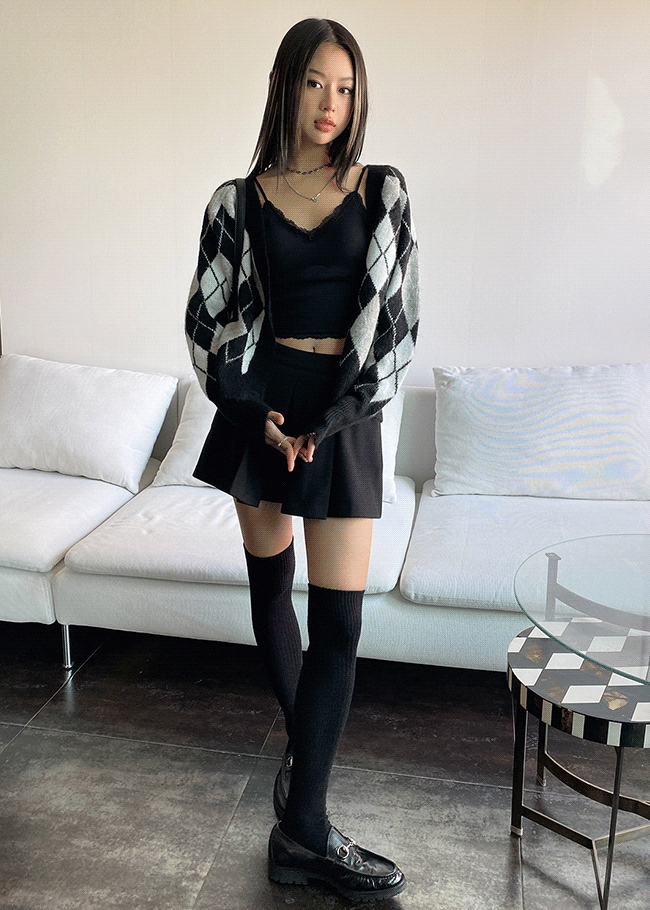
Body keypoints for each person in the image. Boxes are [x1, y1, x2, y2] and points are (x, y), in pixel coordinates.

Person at [186, 17, 418, 902]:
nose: (331, 103)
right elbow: (207, 323)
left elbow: (398, 325)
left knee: (342, 626)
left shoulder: (383, 191)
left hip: (343, 409)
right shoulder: (237, 201)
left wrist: (340, 414)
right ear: (287, 85)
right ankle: (308, 822)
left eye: (346, 88)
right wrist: (256, 413)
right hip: (264, 406)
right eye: (316, 82)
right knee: (271, 590)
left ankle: (303, 816)